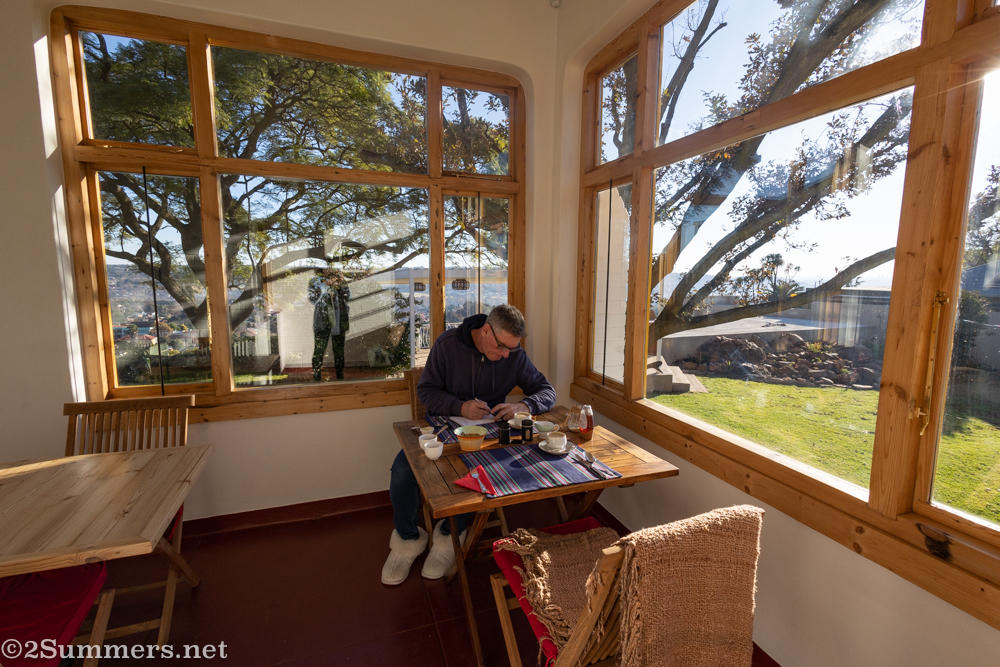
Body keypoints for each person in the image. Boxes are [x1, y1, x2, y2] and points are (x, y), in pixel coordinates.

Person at [382, 304, 556, 585]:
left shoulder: (513, 355)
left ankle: (449, 537)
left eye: (511, 349)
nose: (505, 355)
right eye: (501, 347)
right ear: (486, 330)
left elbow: (547, 391)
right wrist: (459, 405)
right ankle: (406, 539)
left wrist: (524, 404)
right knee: (402, 472)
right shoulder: (447, 345)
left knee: (482, 474)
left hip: (486, 435)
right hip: (442, 427)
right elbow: (426, 391)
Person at [308, 268, 350, 381]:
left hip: (339, 321)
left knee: (339, 351)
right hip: (322, 322)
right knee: (319, 350)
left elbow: (347, 297)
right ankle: (316, 375)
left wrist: (342, 283)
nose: (330, 272)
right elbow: (312, 300)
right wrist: (324, 287)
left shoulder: (340, 282)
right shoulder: (315, 281)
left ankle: (340, 376)